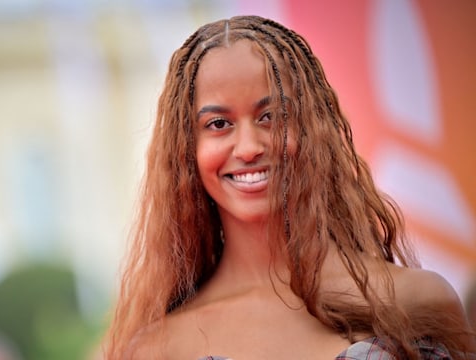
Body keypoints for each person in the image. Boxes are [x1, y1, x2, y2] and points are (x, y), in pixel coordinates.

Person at [103, 15, 476, 359]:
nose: (249, 147)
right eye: (218, 124)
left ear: (313, 129)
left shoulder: (420, 301)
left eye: (272, 117)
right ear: (187, 150)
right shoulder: (159, 348)